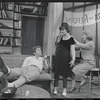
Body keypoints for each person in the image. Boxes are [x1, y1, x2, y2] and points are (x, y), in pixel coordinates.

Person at [53, 22, 76, 96]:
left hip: (66, 58)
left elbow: (72, 50)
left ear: (67, 29)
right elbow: (56, 45)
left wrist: (73, 59)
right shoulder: (59, 37)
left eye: (62, 30)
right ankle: (55, 89)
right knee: (56, 73)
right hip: (58, 57)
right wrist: (59, 38)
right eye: (60, 30)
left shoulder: (71, 38)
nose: (61, 31)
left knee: (64, 74)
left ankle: (64, 90)